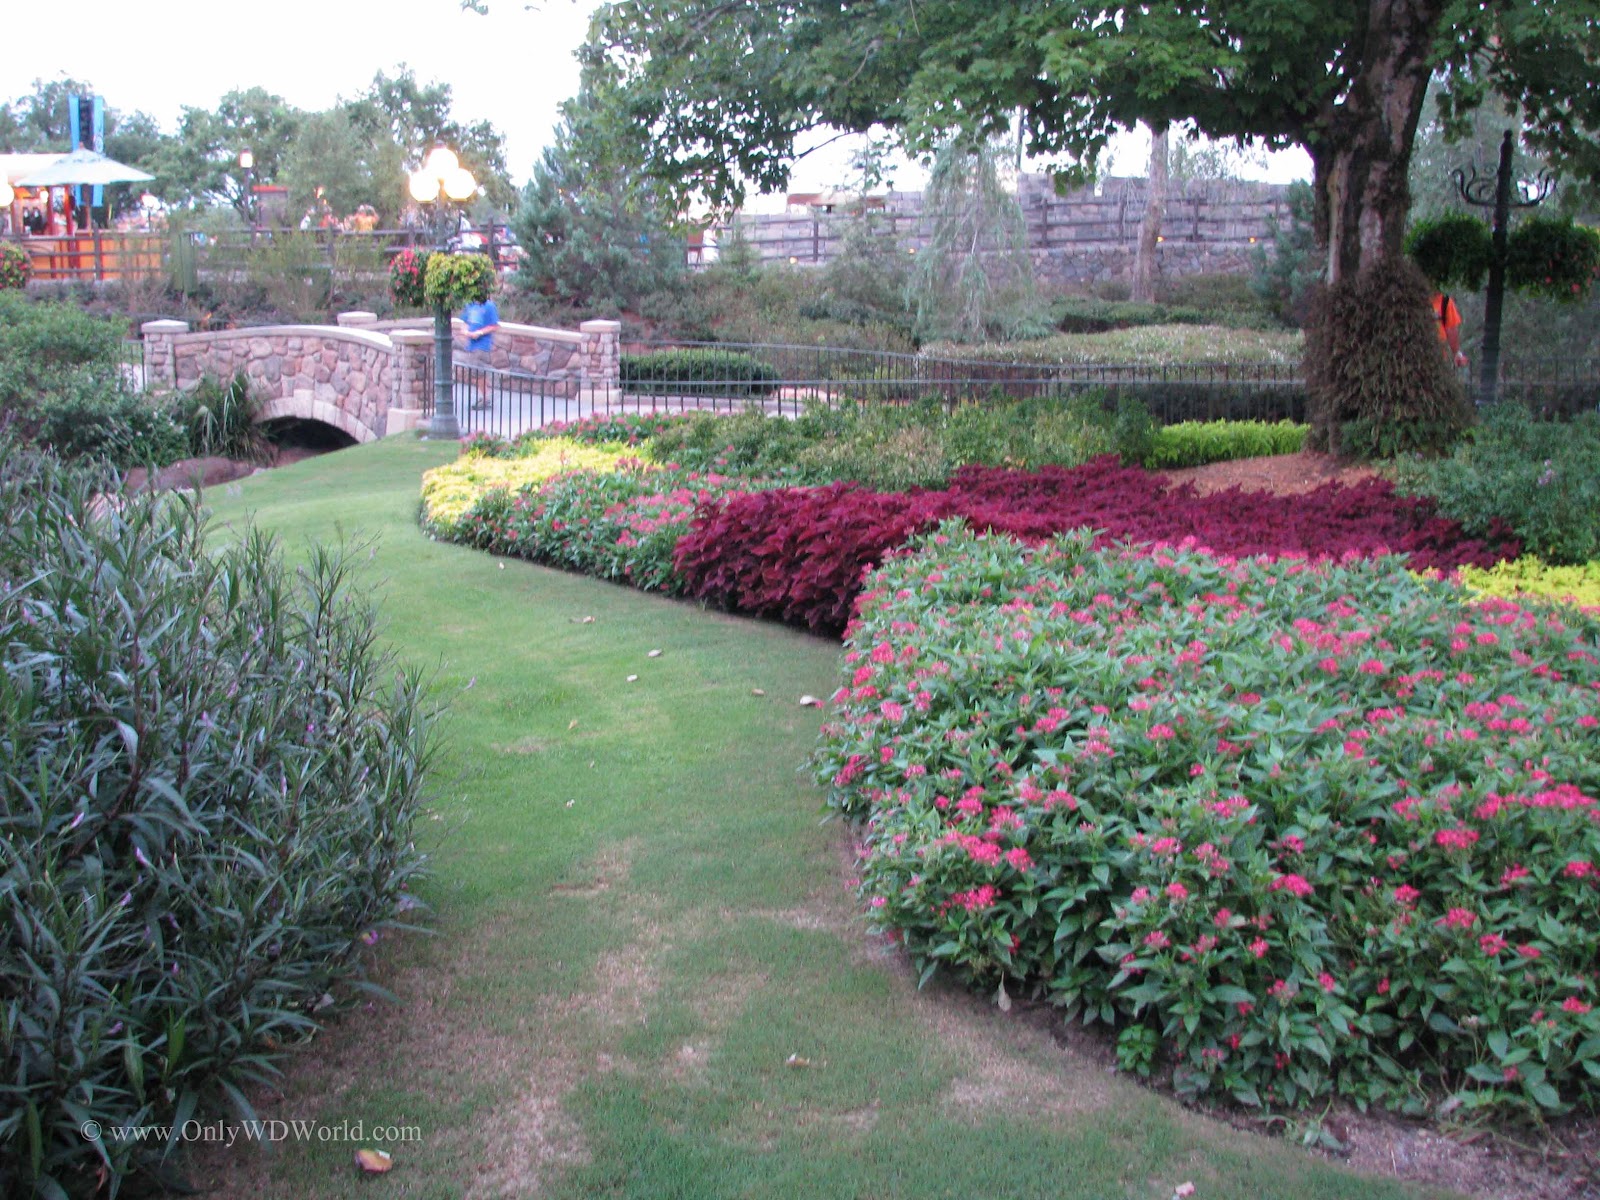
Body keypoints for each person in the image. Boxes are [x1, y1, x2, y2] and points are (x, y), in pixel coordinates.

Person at [459, 280, 501, 410]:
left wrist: (480, 332)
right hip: (471, 345)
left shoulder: (489, 306)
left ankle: (485, 398)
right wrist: (465, 331)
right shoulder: (470, 305)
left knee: (479, 373)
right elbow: (464, 323)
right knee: (474, 374)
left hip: (482, 346)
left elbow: (495, 325)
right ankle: (484, 396)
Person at [1431, 291, 1468, 368]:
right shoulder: (1444, 301)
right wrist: (1456, 353)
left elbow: (1451, 330)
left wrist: (1456, 353)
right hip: (1437, 358)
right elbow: (1451, 330)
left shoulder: (1444, 302)